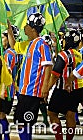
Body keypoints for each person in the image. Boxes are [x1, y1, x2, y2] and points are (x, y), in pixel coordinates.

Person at [14, 12, 53, 140]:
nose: (24, 27)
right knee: (22, 122)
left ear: (32, 29)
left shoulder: (42, 44)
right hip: (24, 91)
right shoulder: (31, 44)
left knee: (24, 122)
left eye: (26, 25)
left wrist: (45, 88)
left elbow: (48, 66)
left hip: (32, 92)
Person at [48, 29, 83, 140]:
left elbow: (55, 74)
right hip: (77, 89)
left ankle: (59, 138)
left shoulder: (63, 55)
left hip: (63, 88)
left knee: (52, 113)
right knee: (71, 115)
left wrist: (47, 89)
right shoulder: (79, 55)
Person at [0, 23, 18, 140]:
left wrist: (2, 90)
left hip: (5, 91)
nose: (1, 39)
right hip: (8, 90)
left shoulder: (9, 54)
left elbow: (7, 72)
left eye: (3, 37)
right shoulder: (9, 53)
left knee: (0, 116)